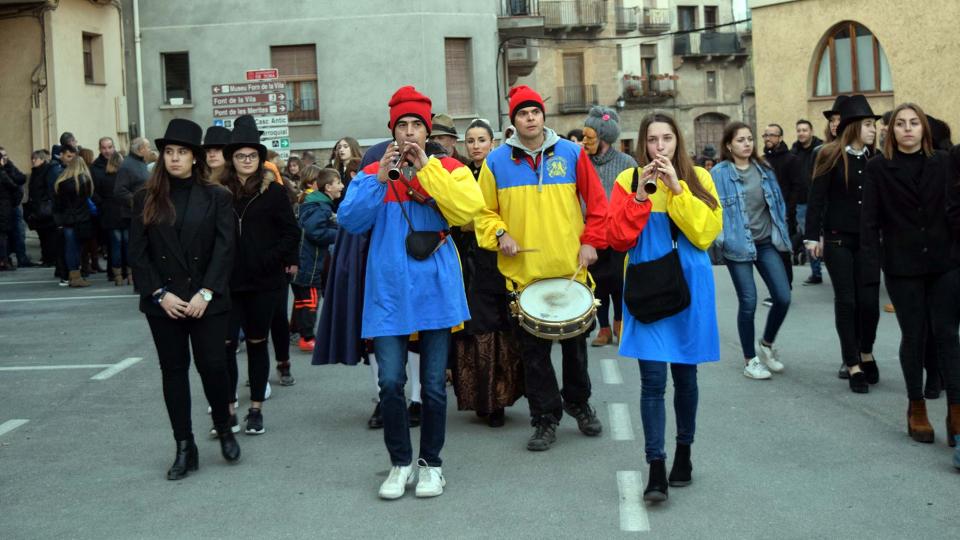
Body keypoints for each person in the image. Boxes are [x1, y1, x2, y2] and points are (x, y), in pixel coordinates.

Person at [338, 86, 485, 500]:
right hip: (387, 291)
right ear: (392, 131)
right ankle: (400, 463)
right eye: (400, 126)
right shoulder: (372, 172)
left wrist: (427, 170)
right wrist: (380, 178)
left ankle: (431, 465)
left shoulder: (450, 167)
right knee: (389, 383)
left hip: (435, 288)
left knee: (435, 385)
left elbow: (466, 211)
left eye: (415, 125)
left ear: (426, 131)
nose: (408, 133)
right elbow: (350, 220)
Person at [475, 85, 609, 451]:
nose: (530, 118)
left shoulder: (572, 153)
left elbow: (597, 204)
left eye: (535, 112)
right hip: (523, 276)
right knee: (534, 356)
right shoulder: (496, 162)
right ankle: (545, 418)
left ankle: (579, 403)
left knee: (575, 351)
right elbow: (482, 212)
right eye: (523, 113)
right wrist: (499, 232)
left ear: (542, 117)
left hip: (570, 272)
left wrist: (590, 240)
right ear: (514, 120)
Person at [606, 112, 722, 503]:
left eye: (667, 139)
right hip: (647, 288)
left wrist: (678, 191)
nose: (660, 147)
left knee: (686, 379)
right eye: (653, 140)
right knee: (653, 382)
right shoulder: (628, 180)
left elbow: (705, 234)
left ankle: (684, 452)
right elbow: (618, 238)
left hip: (688, 286)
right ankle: (655, 465)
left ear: (678, 142)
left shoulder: (700, 178)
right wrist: (641, 195)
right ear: (642, 144)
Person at [128, 118, 240, 480]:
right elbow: (138, 253)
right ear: (162, 157)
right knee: (173, 373)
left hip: (206, 299)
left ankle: (223, 426)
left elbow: (226, 249)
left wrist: (206, 292)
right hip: (165, 303)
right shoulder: (145, 198)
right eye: (169, 152)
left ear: (195, 158)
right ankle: (184, 446)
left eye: (182, 152)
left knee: (213, 366)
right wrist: (160, 294)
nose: (175, 158)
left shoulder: (217, 196)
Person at [864, 104, 958, 446]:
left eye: (914, 123)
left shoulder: (945, 163)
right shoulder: (878, 168)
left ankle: (956, 412)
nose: (907, 129)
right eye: (901, 123)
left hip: (944, 262)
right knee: (914, 335)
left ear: (924, 129)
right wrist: (872, 271)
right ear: (892, 130)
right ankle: (916, 406)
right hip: (902, 266)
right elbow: (870, 222)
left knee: (948, 334)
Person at [220, 115, 300, 435]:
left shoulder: (274, 192)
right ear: (232, 158)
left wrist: (270, 259)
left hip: (264, 281)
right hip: (226, 281)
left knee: (256, 342)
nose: (247, 161)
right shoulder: (219, 191)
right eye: (241, 156)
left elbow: (291, 233)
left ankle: (255, 409)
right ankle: (226, 409)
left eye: (252, 155)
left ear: (260, 156)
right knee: (225, 344)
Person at [449, 118, 523, 428]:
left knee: (503, 328)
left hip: (499, 258)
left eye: (481, 140)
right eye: (471, 140)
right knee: (476, 329)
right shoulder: (460, 174)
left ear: (491, 143)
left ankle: (501, 400)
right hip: (470, 262)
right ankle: (482, 399)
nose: (476, 145)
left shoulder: (500, 169)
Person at [804, 95, 881, 391]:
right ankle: (852, 364)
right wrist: (812, 237)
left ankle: (866, 351)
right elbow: (816, 199)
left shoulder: (875, 160)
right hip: (837, 240)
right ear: (853, 127)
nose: (873, 130)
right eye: (868, 124)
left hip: (869, 242)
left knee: (870, 304)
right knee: (847, 301)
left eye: (874, 125)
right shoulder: (830, 155)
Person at [712, 122, 792, 380]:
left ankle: (766, 344)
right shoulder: (720, 173)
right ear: (729, 145)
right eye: (740, 140)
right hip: (738, 245)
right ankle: (750, 360)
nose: (747, 144)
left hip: (765, 241)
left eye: (749, 139)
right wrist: (721, 241)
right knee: (748, 302)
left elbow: (777, 205)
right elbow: (711, 208)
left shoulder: (764, 169)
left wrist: (785, 235)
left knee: (783, 296)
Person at [580, 106, 637, 346]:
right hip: (591, 232)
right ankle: (603, 329)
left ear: (603, 136)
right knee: (598, 284)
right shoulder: (581, 161)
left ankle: (620, 322)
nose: (585, 141)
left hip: (619, 233)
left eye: (590, 136)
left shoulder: (627, 162)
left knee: (618, 281)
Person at [292, 166, 342, 352]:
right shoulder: (321, 206)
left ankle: (303, 334)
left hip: (305, 260)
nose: (342, 186)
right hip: (309, 262)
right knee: (310, 300)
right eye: (338, 183)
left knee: (304, 300)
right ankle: (307, 337)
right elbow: (315, 231)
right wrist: (339, 234)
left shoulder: (315, 204)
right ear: (328, 187)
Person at [762, 123, 801, 289]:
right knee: (769, 253)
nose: (768, 138)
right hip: (765, 215)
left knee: (783, 252)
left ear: (780, 138)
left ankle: (786, 286)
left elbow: (796, 188)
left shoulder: (791, 159)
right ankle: (776, 289)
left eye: (772, 135)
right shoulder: (762, 160)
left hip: (784, 214)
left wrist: (788, 211)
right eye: (766, 135)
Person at [52, 145, 95, 287]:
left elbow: (57, 205)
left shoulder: (61, 183)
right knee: (79, 249)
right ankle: (77, 277)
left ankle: (72, 275)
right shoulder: (85, 182)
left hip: (67, 221)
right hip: (82, 219)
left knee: (70, 249)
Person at [791, 119, 824, 282]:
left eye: (805, 130)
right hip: (802, 201)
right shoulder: (794, 152)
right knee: (809, 237)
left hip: (822, 199)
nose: (801, 133)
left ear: (811, 131)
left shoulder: (821, 149)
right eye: (799, 130)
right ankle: (816, 272)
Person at [97, 150, 129, 285]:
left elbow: (97, 195)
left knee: (115, 246)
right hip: (125, 214)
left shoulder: (104, 178)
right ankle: (130, 275)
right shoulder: (126, 178)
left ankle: (117, 276)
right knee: (127, 245)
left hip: (110, 215)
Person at [24, 150, 57, 266]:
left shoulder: (48, 170)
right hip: (37, 208)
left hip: (45, 207)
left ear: (42, 159)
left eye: (36, 158)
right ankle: (46, 258)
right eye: (32, 158)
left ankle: (50, 259)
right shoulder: (36, 172)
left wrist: (46, 200)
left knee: (49, 235)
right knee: (42, 235)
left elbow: (49, 188)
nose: (33, 160)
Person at [1, 146, 30, 269]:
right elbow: (13, 186)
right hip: (5, 207)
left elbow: (21, 178)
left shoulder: (10, 167)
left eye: (5, 155)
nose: (4, 157)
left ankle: (18, 257)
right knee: (4, 234)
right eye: (1, 155)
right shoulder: (2, 172)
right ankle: (5, 259)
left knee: (17, 231)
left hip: (11, 205)